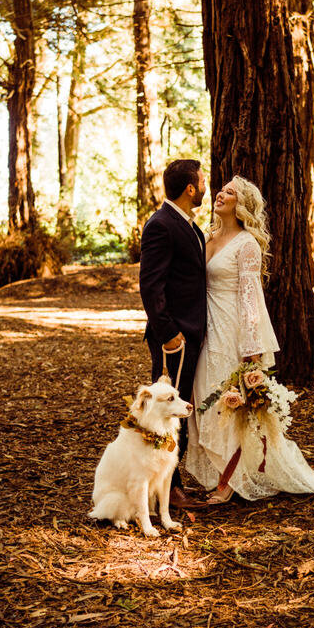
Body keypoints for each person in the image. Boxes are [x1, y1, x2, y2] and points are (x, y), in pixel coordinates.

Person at [185, 175, 314, 504]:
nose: (220, 194)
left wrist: (252, 352)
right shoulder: (208, 237)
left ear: (242, 205)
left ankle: (227, 483)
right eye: (221, 190)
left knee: (224, 405)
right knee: (204, 401)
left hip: (231, 333)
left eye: (229, 193)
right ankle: (222, 474)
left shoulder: (246, 244)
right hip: (205, 330)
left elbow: (250, 300)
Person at [139, 159, 208, 510]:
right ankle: (169, 487)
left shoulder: (190, 227)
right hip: (174, 339)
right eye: (202, 179)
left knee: (177, 409)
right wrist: (168, 333)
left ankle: (168, 481)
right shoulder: (161, 225)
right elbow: (150, 286)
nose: (206, 184)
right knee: (166, 412)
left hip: (191, 334)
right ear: (190, 188)